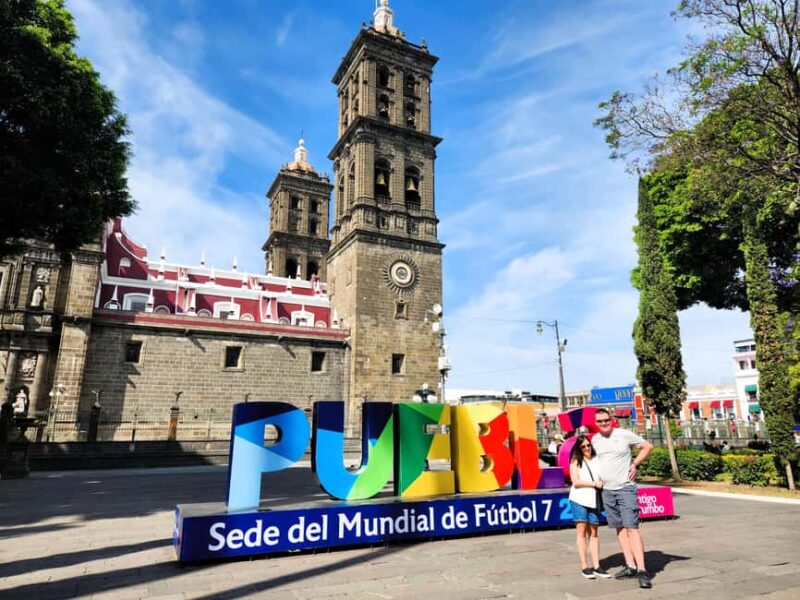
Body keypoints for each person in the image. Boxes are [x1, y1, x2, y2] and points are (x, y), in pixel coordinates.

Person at [592, 407, 654, 589]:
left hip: (625, 488)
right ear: (595, 423)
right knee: (619, 528)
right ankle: (630, 565)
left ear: (611, 420)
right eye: (599, 421)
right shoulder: (595, 440)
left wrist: (634, 463)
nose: (603, 423)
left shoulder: (624, 434)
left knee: (631, 528)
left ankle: (642, 570)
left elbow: (647, 446)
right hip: (607, 490)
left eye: (606, 420)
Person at [568, 434, 611, 580]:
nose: (587, 448)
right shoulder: (575, 461)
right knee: (581, 531)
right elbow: (576, 481)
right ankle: (584, 566)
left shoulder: (598, 459)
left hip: (594, 499)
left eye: (588, 445)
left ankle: (597, 565)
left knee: (594, 532)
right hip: (579, 499)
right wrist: (594, 484)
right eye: (583, 446)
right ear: (579, 449)